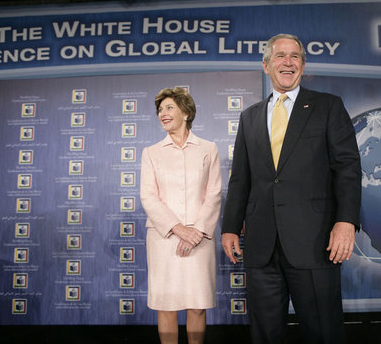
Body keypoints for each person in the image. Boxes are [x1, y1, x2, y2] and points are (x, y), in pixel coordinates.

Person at [221, 34, 361, 344]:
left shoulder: (327, 106)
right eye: (281, 56)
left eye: (295, 56)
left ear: (302, 65)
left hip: (315, 242)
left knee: (323, 332)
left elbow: (348, 169)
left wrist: (346, 221)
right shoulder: (249, 117)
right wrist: (230, 227)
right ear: (266, 65)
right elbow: (240, 179)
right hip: (262, 246)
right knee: (266, 335)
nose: (288, 61)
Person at [140, 87, 222, 344]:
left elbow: (214, 194)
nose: (162, 114)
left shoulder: (208, 149)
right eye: (160, 110)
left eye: (169, 108)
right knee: (166, 305)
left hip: (200, 238)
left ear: (186, 113)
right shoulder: (151, 152)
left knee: (197, 305)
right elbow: (149, 197)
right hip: (165, 239)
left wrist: (195, 231)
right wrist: (178, 229)